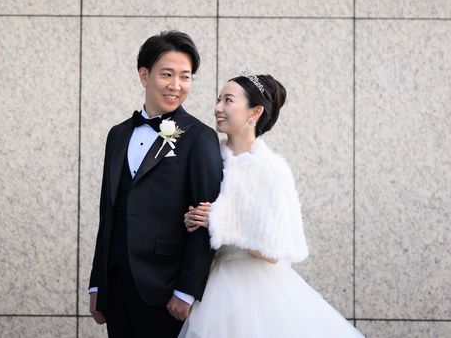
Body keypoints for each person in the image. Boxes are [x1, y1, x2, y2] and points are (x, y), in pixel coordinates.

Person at [179, 71, 364, 338]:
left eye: (228, 100)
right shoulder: (209, 157)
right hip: (209, 283)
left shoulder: (270, 170)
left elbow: (273, 250)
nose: (218, 107)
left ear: (254, 112)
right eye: (218, 99)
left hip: (253, 288)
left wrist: (219, 222)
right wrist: (193, 219)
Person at [89, 30, 224, 338]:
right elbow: (107, 213)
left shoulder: (199, 137)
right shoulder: (117, 134)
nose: (176, 85)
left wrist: (187, 290)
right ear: (144, 75)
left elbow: (207, 217)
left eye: (185, 77)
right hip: (116, 286)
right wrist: (97, 283)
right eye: (167, 74)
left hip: (166, 290)